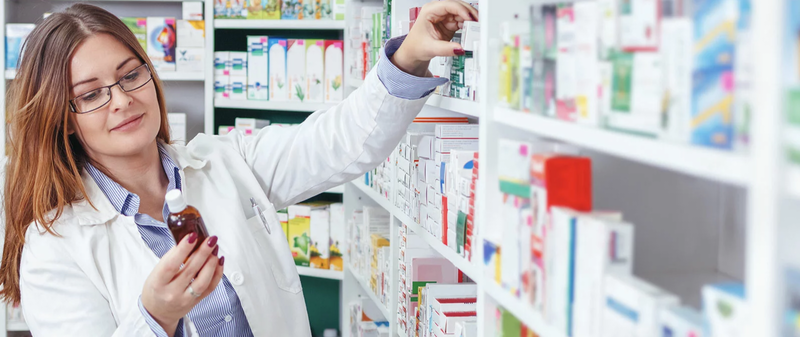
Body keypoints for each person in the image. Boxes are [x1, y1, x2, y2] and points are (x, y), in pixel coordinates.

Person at [0, 2, 478, 336]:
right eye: (90, 94)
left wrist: (409, 56)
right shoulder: (54, 247)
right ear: (59, 117)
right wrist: (155, 316)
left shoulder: (226, 162)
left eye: (130, 74)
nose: (122, 100)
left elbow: (339, 142)